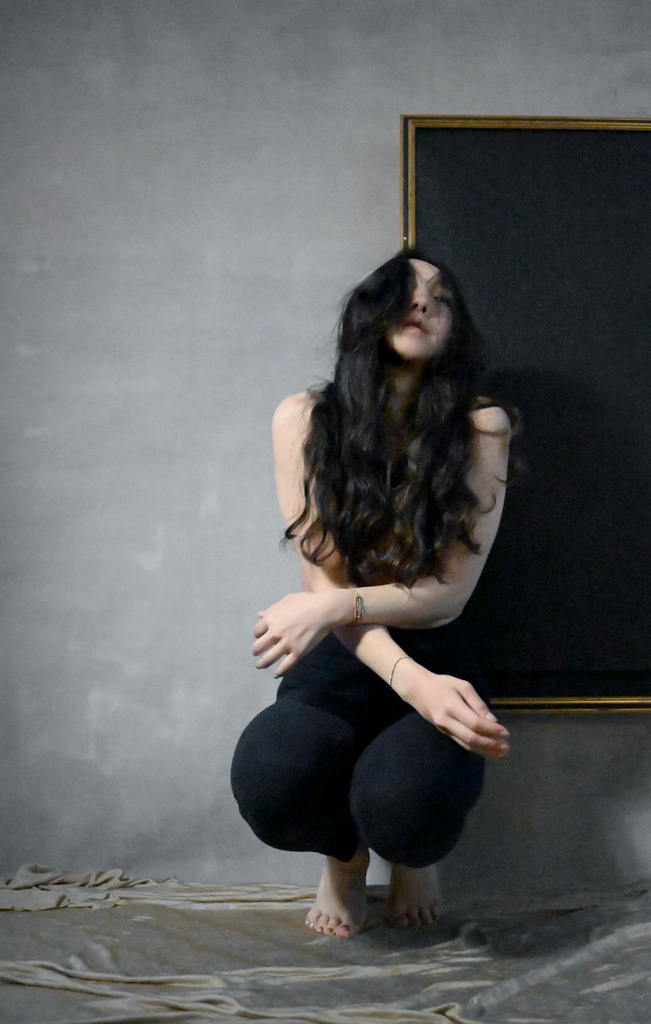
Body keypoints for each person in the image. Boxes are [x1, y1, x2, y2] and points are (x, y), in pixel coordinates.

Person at [231, 249, 514, 938]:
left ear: (456, 328)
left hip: (440, 658)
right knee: (270, 777)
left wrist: (338, 609)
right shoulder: (303, 419)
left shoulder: (482, 428)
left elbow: (447, 595)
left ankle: (411, 857)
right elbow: (322, 582)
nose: (422, 303)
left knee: (408, 806)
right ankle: (344, 857)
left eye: (441, 297)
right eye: (405, 290)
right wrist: (401, 673)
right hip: (339, 664)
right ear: (370, 309)